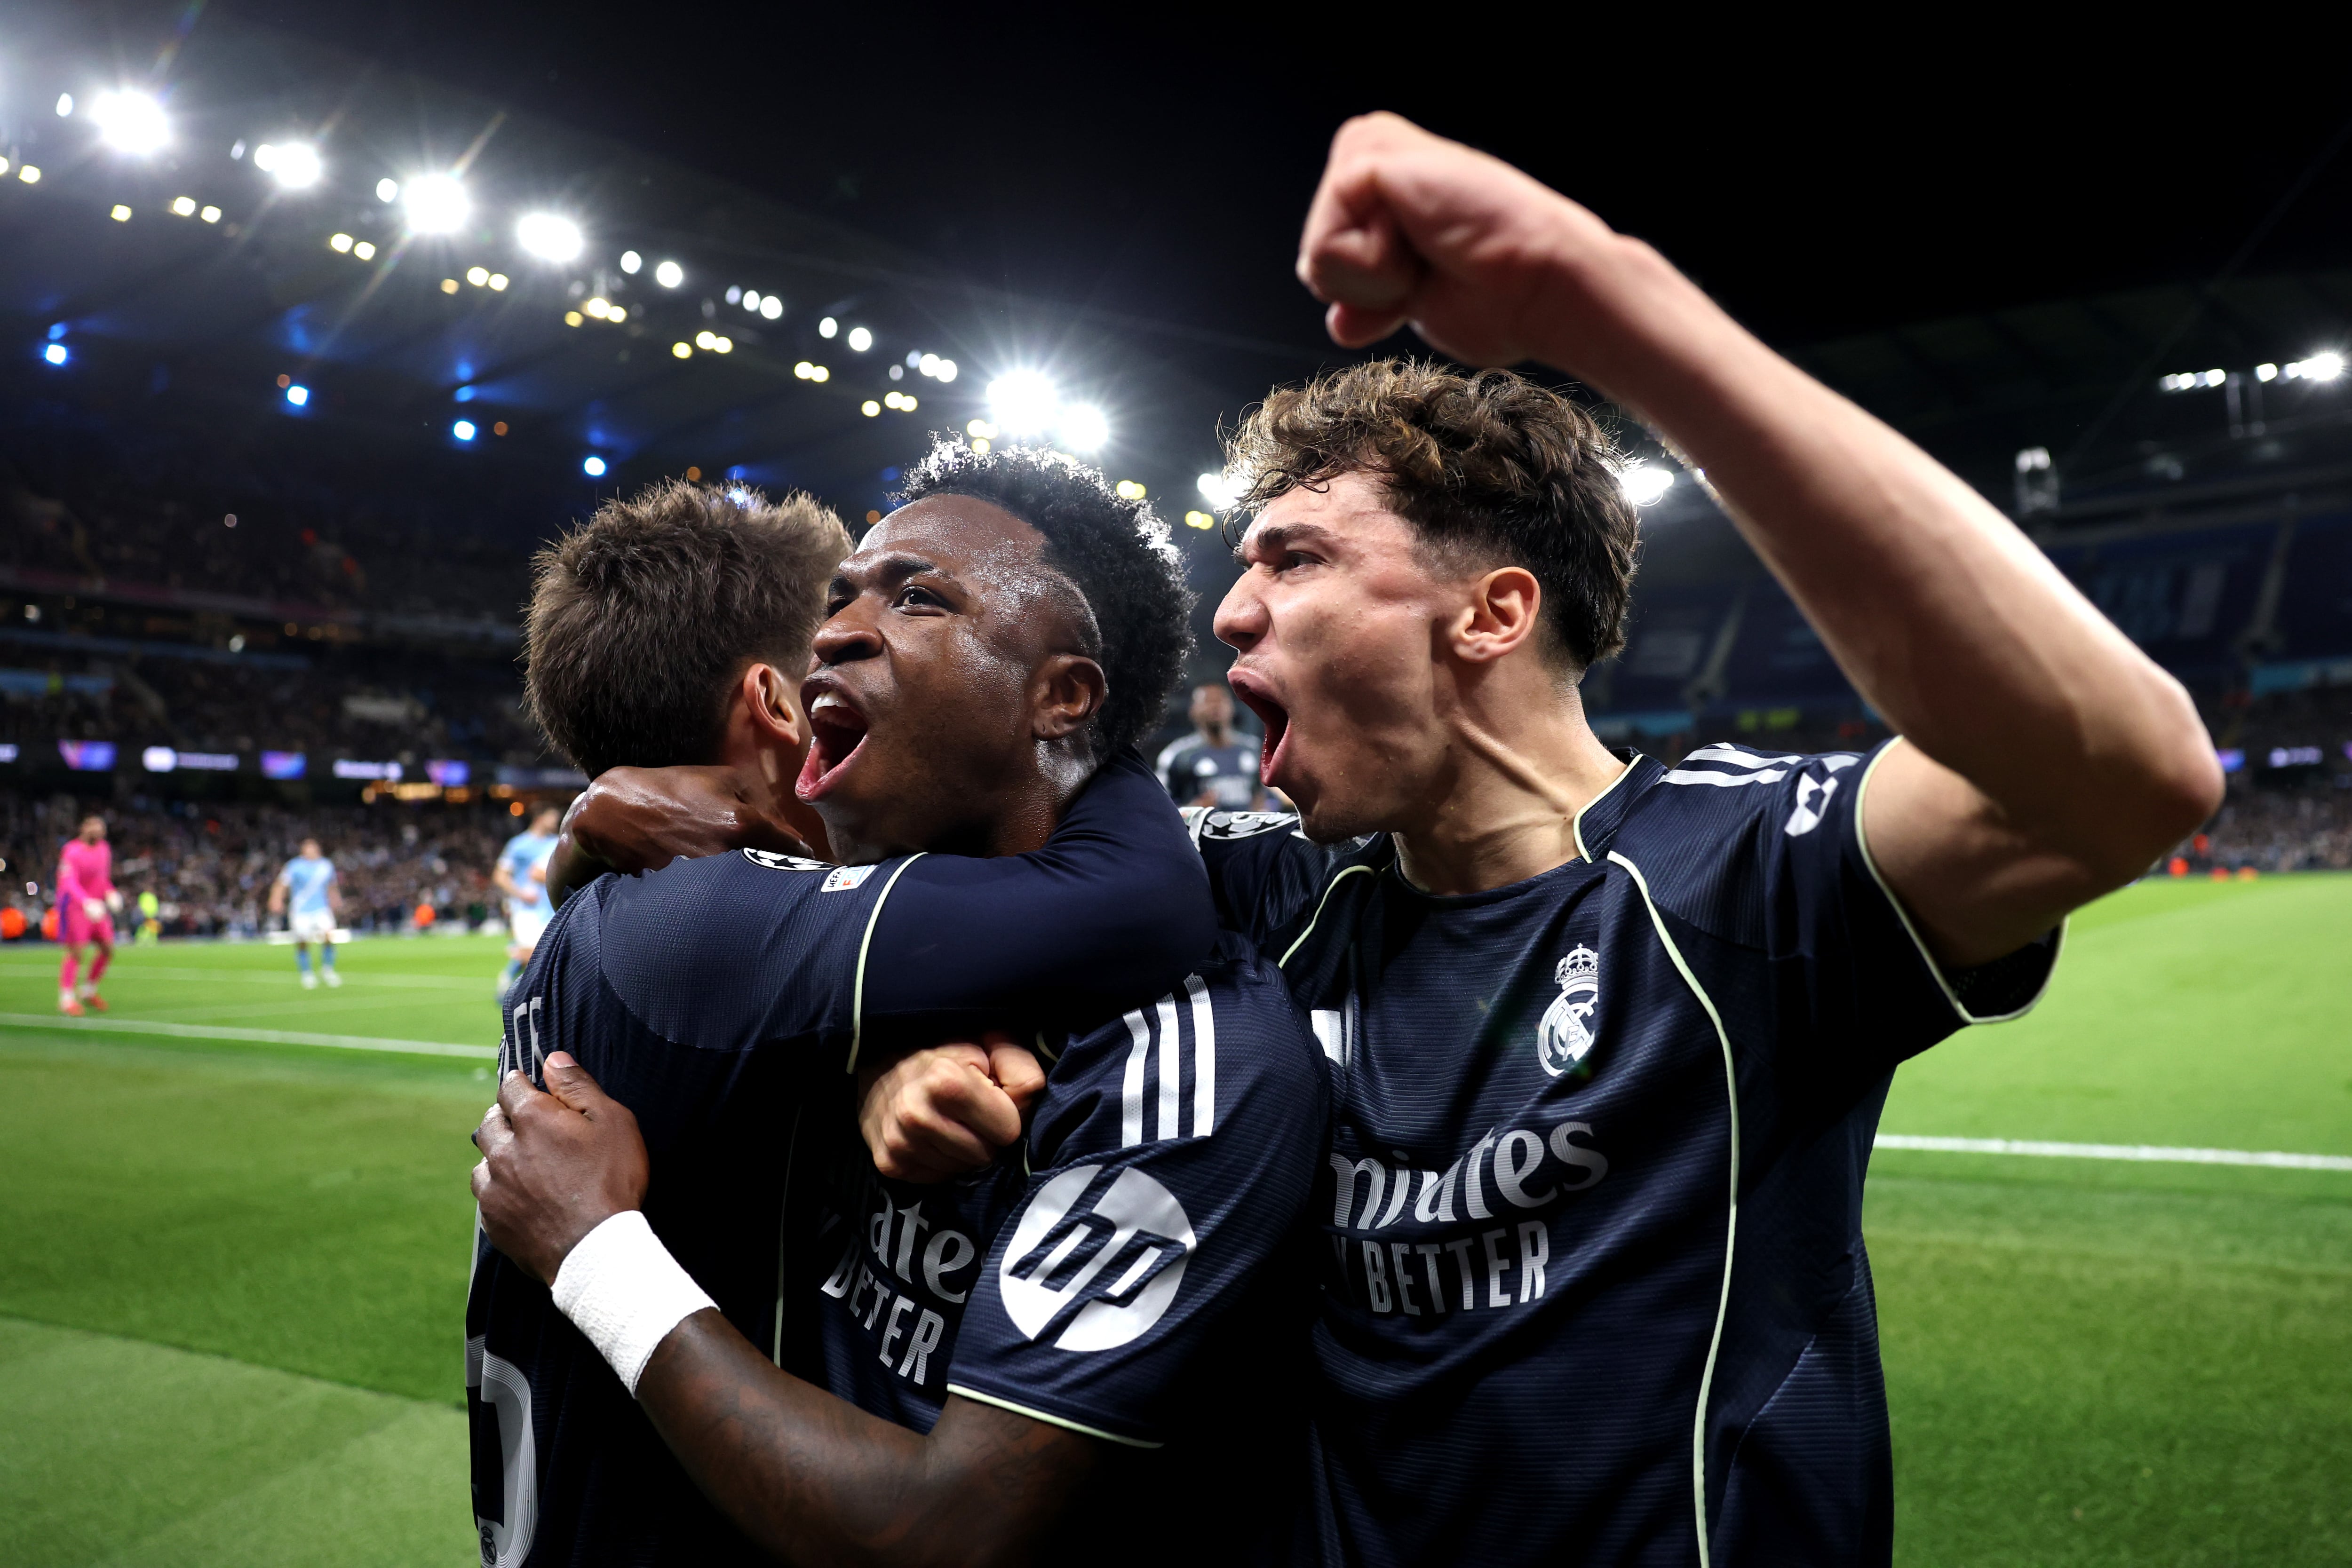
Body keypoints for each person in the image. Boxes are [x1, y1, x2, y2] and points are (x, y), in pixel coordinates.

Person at [519, 116, 2225, 1566]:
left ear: (1491, 612)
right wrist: (900, 1035)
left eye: (1295, 559)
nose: (1233, 614)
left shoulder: (1731, 884)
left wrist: (1604, 302)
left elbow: (2128, 773)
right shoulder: (1268, 893)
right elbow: (962, 863)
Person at [465, 463, 1321, 1568]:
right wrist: (597, 1248)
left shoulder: (1179, 1056)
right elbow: (1130, 894)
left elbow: (956, 1526)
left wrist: (875, 1055)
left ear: (1063, 694)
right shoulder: (717, 924)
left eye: (917, 598)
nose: (837, 634)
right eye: (836, 601)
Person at [1153, 680, 1264, 810]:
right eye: (1208, 701)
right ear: (1193, 711)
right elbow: (1160, 807)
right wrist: (1194, 809)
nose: (1216, 706)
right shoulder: (1178, 755)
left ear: (1232, 707)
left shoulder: (1254, 749)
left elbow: (1266, 796)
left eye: (1221, 700)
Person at [493, 805, 563, 997]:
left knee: (544, 955)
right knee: (533, 955)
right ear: (539, 818)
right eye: (552, 817)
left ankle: (515, 982)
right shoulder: (519, 845)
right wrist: (521, 894)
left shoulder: (557, 843)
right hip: (527, 911)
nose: (555, 822)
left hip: (551, 909)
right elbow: (500, 876)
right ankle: (512, 986)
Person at [56, 814, 119, 1014]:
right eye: (93, 827)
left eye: (101, 828)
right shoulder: (72, 851)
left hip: (98, 907)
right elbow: (68, 881)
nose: (98, 832)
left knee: (108, 948)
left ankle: (88, 991)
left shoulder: (104, 849)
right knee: (76, 952)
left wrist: (110, 892)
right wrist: (86, 902)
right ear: (83, 828)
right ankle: (66, 999)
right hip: (76, 907)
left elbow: (103, 878)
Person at [268, 837, 342, 989]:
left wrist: (336, 899)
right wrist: (276, 899)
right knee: (303, 941)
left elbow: (332, 885)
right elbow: (281, 884)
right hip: (301, 910)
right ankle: (307, 973)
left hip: (321, 908)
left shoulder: (325, 866)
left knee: (329, 935)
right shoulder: (294, 866)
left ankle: (327, 969)